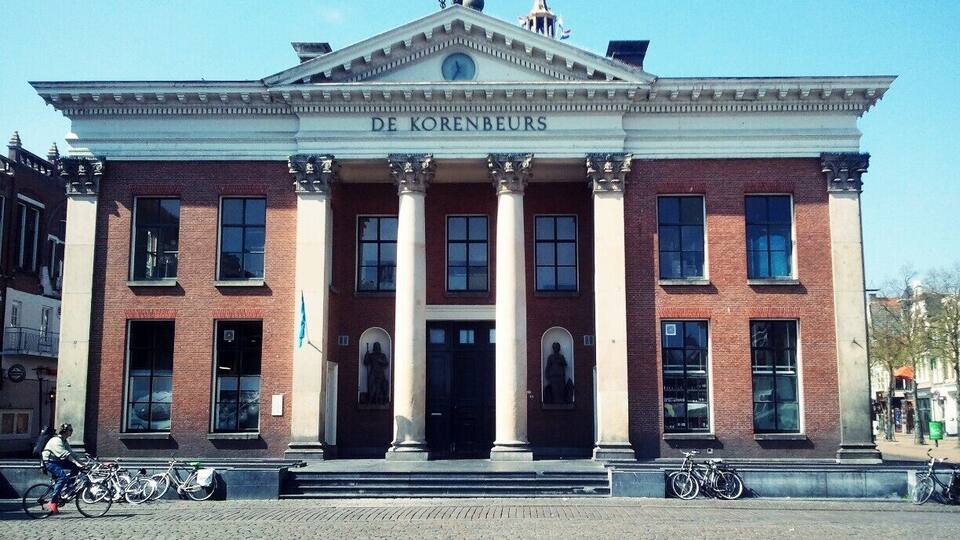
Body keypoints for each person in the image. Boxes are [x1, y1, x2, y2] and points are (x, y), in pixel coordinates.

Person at [41, 423, 85, 514]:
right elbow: (64, 454)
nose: (72, 432)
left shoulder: (64, 441)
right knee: (62, 478)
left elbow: (71, 453)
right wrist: (76, 462)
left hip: (57, 461)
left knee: (75, 467)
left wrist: (81, 463)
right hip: (49, 462)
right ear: (64, 431)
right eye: (70, 430)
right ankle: (53, 502)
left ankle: (69, 487)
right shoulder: (56, 440)